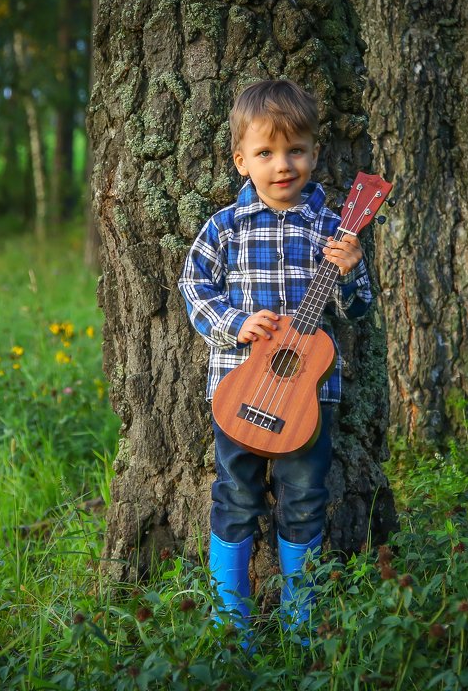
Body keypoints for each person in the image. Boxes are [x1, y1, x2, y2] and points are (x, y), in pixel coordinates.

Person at [177, 79, 373, 644]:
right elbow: (193, 285)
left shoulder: (334, 229)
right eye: (265, 152)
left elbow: (357, 310)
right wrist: (236, 324)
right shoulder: (225, 227)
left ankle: (301, 621)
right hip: (241, 392)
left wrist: (352, 266)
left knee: (306, 499)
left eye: (296, 151)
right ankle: (229, 621)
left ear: (315, 153)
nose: (282, 165)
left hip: (309, 401)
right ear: (242, 160)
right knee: (235, 494)